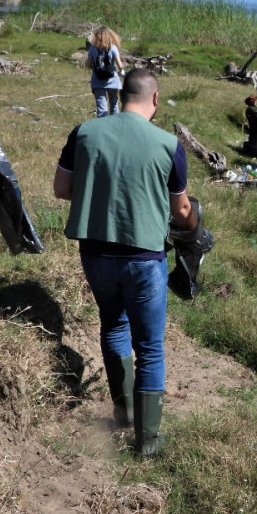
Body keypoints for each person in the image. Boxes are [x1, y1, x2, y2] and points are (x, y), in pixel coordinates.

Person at [53, 69, 198, 456]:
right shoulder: (168, 145)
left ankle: (126, 414)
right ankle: (147, 441)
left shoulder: (84, 133)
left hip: (95, 254)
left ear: (119, 97)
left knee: (113, 325)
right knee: (149, 346)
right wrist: (193, 228)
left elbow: (62, 188)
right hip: (144, 258)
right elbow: (182, 211)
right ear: (155, 99)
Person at [87, 26, 125, 117]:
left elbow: (89, 64)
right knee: (114, 103)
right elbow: (120, 65)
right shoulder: (113, 48)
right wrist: (121, 71)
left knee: (101, 106)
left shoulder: (92, 48)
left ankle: (103, 123)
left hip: (97, 80)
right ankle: (114, 122)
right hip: (112, 80)